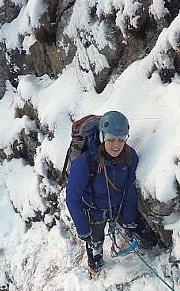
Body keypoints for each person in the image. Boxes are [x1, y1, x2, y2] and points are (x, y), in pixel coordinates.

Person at [65, 111, 156, 276]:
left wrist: (129, 221)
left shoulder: (129, 157)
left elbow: (129, 188)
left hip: (118, 205)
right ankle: (95, 266)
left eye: (121, 140)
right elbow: (72, 199)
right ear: (102, 137)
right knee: (95, 247)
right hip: (93, 210)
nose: (116, 145)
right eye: (111, 139)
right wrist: (84, 229)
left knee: (149, 241)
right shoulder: (84, 163)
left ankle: (135, 244)